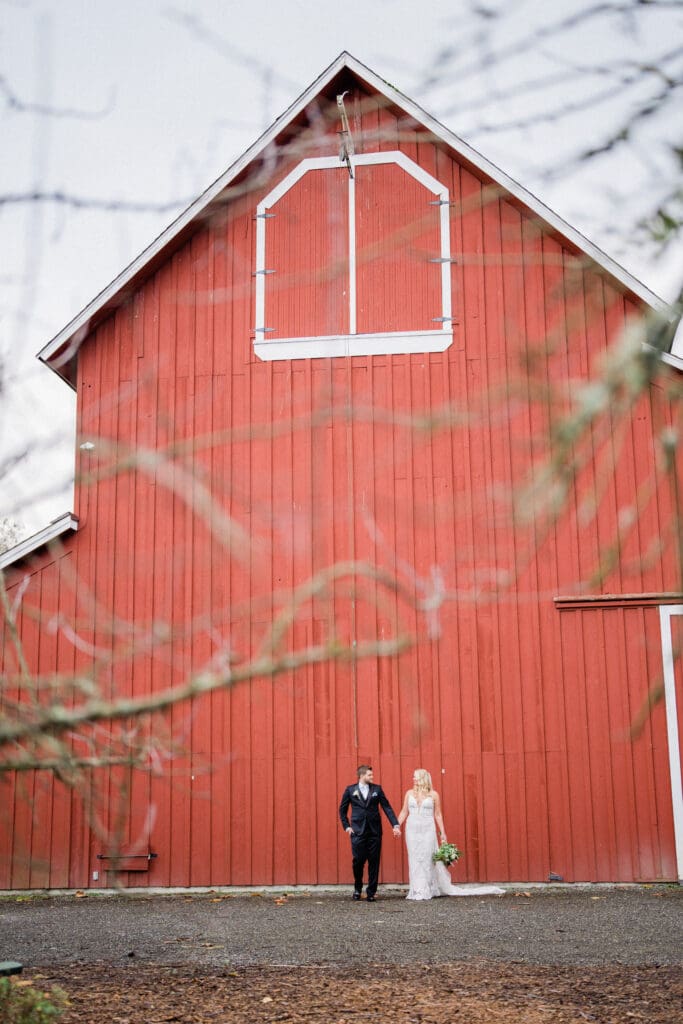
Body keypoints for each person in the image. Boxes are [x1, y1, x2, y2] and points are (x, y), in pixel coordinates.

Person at [397, 768, 504, 899]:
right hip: (412, 829)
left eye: (415, 776)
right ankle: (417, 889)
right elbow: (403, 812)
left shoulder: (434, 795)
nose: (413, 779)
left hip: (427, 830)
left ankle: (427, 889)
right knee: (414, 859)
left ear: (423, 778)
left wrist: (442, 833)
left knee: (427, 858)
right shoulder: (409, 793)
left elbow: (438, 814)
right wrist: (397, 826)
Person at [339, 764, 401, 901]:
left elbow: (387, 807)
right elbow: (342, 811)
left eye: (372, 775)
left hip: (375, 832)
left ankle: (371, 892)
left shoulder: (377, 790)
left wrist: (395, 825)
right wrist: (347, 827)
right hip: (357, 832)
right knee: (358, 861)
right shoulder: (350, 790)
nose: (372, 777)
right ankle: (357, 888)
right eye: (369, 775)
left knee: (374, 862)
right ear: (361, 776)